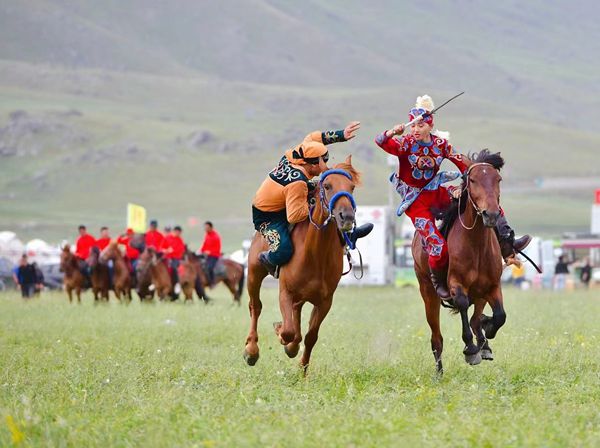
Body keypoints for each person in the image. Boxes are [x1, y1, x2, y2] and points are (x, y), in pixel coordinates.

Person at [375, 95, 531, 299]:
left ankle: (508, 243)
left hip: (437, 192)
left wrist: (467, 185)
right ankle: (438, 281)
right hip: (416, 202)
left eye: (420, 125)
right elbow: (380, 141)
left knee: (486, 202)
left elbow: (465, 166)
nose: (415, 130)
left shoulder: (441, 145)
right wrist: (391, 132)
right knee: (438, 246)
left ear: (430, 126)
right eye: (413, 126)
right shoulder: (404, 143)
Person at [252, 122, 373, 277]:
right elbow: (294, 216)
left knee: (326, 202)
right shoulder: (298, 183)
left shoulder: (301, 153)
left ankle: (348, 234)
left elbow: (314, 137)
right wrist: (317, 199)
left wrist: (341, 134)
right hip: (269, 215)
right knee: (284, 250)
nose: (324, 167)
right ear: (312, 165)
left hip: (285, 196)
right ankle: (268, 259)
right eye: (322, 163)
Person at [164, 226, 186, 292]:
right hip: (166, 257)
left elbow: (181, 250)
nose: (178, 234)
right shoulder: (167, 238)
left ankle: (177, 283)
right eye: (177, 232)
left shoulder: (180, 240)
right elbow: (161, 247)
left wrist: (173, 251)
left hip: (175, 258)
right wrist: (165, 250)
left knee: (174, 268)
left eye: (179, 232)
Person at [200, 221, 222, 285]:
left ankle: (212, 281)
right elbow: (204, 245)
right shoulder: (207, 235)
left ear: (211, 227)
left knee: (210, 268)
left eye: (207, 227)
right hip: (207, 255)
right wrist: (201, 251)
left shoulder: (216, 236)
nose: (205, 229)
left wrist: (210, 252)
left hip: (214, 256)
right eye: (205, 227)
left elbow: (218, 248)